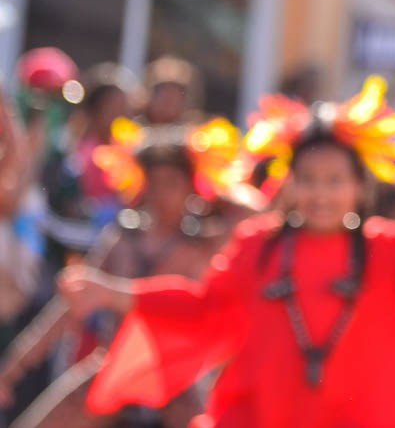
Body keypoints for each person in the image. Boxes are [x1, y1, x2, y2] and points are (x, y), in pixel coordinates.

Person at [59, 77, 395, 428]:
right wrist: (113, 292)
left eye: (334, 180)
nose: (321, 193)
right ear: (289, 182)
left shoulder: (387, 247)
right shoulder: (258, 244)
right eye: (308, 179)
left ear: (360, 186)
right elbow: (202, 307)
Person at [1, 118, 248, 427]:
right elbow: (71, 306)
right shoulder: (122, 238)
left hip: (177, 381)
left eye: (172, 183)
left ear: (191, 185)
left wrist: (214, 193)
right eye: (153, 183)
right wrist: (16, 365)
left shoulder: (209, 244)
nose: (161, 194)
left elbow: (257, 217)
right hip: (112, 367)